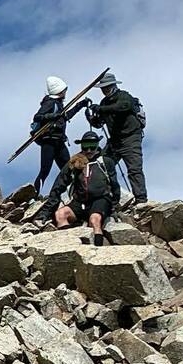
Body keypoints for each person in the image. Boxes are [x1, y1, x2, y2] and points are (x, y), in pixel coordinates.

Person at [86, 70, 147, 205]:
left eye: (106, 87)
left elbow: (123, 107)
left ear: (113, 85)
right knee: (102, 166)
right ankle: (108, 199)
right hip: (115, 141)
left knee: (134, 169)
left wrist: (101, 110)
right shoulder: (104, 103)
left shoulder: (124, 96)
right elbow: (100, 123)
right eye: (103, 88)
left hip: (130, 138)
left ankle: (141, 201)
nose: (105, 90)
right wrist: (91, 118)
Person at [43, 131, 114, 246]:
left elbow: (114, 184)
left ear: (97, 145)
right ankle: (68, 246)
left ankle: (99, 252)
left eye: (93, 145)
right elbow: (59, 185)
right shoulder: (74, 163)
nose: (89, 150)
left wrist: (114, 206)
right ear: (81, 146)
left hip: (100, 199)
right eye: (86, 146)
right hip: (79, 202)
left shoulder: (105, 161)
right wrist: (46, 212)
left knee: (95, 220)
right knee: (60, 214)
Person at [30, 76, 89, 197]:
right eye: (64, 91)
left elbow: (66, 116)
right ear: (59, 91)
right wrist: (52, 116)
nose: (66, 93)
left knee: (69, 168)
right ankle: (34, 195)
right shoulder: (50, 103)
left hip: (59, 141)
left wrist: (80, 105)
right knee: (45, 170)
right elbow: (37, 116)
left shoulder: (59, 104)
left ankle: (77, 192)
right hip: (49, 141)